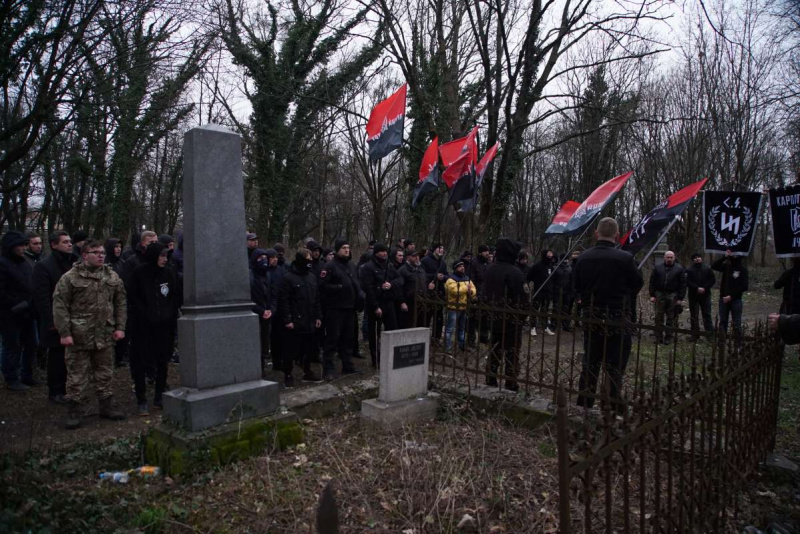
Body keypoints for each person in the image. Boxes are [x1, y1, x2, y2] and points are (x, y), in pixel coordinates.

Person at [53, 240, 127, 429]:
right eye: (96, 252)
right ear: (85, 255)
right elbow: (60, 305)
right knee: (77, 375)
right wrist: (64, 332)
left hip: (105, 334)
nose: (101, 255)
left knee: (105, 372)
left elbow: (120, 303)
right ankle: (74, 410)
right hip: (79, 336)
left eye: (102, 252)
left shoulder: (111, 276)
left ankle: (107, 406)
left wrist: (120, 327)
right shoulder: (70, 278)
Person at [572, 217, 643, 412]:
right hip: (617, 315)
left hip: (591, 315)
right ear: (617, 235)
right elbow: (636, 285)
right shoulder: (625, 258)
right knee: (615, 363)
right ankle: (611, 403)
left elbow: (576, 285)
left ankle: (584, 402)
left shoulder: (583, 258)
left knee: (591, 361)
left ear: (597, 234)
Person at [127, 242, 181, 415]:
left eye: (166, 256)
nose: (165, 259)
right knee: (140, 362)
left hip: (163, 327)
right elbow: (133, 298)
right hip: (143, 326)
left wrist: (168, 316)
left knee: (162, 361)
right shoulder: (139, 273)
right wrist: (147, 315)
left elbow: (173, 297)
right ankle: (142, 398)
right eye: (161, 256)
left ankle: (159, 396)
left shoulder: (168, 273)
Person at [32, 231, 76, 403]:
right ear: (54, 244)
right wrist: (51, 321)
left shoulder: (73, 263)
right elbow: (41, 297)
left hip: (73, 317)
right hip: (55, 320)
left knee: (70, 356)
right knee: (57, 356)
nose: (70, 244)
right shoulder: (44, 266)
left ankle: (68, 387)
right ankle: (55, 390)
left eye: (70, 241)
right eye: (65, 242)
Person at [483, 238, 527, 391]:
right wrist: (521, 317)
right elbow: (523, 299)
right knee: (511, 351)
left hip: (493, 316)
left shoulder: (489, 269)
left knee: (495, 348)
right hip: (510, 320)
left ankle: (491, 377)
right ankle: (510, 381)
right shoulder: (515, 273)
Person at [279, 249, 324, 387]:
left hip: (310, 320)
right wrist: (288, 320)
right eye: (307, 258)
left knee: (308, 349)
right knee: (291, 350)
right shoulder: (288, 278)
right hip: (296, 321)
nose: (310, 260)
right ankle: (288, 374)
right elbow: (284, 301)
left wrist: (318, 316)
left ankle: (307, 371)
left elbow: (316, 299)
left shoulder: (311, 277)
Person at [319, 239, 363, 380]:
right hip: (335, 309)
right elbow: (323, 286)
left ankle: (347, 365)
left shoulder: (351, 265)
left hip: (350, 308)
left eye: (348, 247)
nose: (346, 250)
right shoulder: (330, 266)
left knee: (347, 339)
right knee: (332, 339)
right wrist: (338, 288)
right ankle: (328, 369)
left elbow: (356, 283)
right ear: (337, 250)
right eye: (344, 247)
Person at [0, 231, 38, 391]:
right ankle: (12, 378)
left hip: (28, 312)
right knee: (11, 346)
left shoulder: (24, 262)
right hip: (10, 314)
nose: (23, 248)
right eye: (20, 245)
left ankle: (26, 375)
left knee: (32, 344)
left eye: (24, 245)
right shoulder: (2, 264)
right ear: (11, 246)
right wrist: (17, 303)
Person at [360, 243, 402, 367]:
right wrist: (375, 306)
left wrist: (391, 285)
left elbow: (400, 279)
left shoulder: (389, 266)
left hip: (389, 303)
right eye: (382, 251)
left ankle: (392, 356)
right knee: (375, 334)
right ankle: (376, 360)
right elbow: (368, 288)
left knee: (392, 330)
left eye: (386, 251)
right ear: (376, 252)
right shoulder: (368, 267)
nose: (384, 253)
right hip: (375, 304)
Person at [648, 250, 686, 343]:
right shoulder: (658, 268)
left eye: (671, 257)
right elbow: (652, 282)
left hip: (672, 294)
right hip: (659, 293)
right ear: (664, 258)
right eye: (667, 257)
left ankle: (669, 336)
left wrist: (680, 298)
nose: (669, 259)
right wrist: (652, 295)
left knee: (671, 316)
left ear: (674, 258)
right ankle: (659, 336)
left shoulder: (679, 269)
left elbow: (683, 285)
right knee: (658, 315)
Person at [711, 250, 748, 339]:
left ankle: (737, 344)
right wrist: (724, 257)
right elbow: (714, 266)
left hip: (736, 300)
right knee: (723, 322)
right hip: (723, 300)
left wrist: (731, 296)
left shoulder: (743, 270)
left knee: (736, 323)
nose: (734, 258)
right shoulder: (726, 267)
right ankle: (722, 343)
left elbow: (744, 287)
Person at [250, 248, 275, 375]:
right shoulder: (250, 276)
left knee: (265, 342)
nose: (264, 261)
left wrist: (270, 310)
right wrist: (261, 311)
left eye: (265, 258)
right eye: (260, 258)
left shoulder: (268, 275)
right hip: (255, 314)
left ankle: (262, 367)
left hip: (267, 314)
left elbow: (272, 295)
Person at [444, 259, 476, 352]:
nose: (462, 268)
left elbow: (474, 289)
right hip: (453, 307)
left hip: (463, 306)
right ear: (455, 268)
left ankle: (461, 345)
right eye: (459, 266)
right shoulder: (451, 279)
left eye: (462, 266)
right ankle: (447, 347)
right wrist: (467, 288)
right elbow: (454, 291)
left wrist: (471, 291)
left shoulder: (466, 277)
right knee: (450, 328)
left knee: (462, 329)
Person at [397, 250, 434, 329]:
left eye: (418, 256)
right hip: (409, 303)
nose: (417, 258)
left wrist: (428, 286)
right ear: (408, 257)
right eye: (414, 256)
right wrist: (402, 302)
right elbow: (398, 288)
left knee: (420, 325)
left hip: (421, 303)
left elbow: (425, 281)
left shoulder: (421, 269)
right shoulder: (402, 270)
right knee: (408, 326)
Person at [421, 243, 449, 341]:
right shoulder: (425, 261)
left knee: (439, 317)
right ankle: (423, 337)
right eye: (439, 248)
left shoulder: (443, 262)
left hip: (440, 292)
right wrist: (433, 276)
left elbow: (447, 276)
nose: (442, 250)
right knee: (426, 316)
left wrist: (443, 277)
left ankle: (436, 338)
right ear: (434, 249)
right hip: (428, 293)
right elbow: (421, 275)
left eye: (443, 248)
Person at [528, 249, 558, 336]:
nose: (550, 256)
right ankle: (533, 327)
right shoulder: (537, 265)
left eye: (551, 254)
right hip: (538, 291)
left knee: (545, 310)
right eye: (548, 254)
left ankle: (545, 327)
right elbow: (529, 276)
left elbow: (553, 278)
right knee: (535, 308)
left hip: (547, 292)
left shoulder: (550, 266)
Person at [687, 252, 716, 335]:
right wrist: (697, 288)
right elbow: (687, 281)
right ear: (693, 260)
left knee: (707, 314)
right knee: (694, 315)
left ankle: (709, 333)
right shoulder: (689, 270)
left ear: (701, 258)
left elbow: (712, 280)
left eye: (699, 257)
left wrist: (704, 288)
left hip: (705, 295)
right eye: (695, 257)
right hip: (693, 295)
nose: (697, 258)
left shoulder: (707, 268)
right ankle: (695, 334)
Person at [468, 244, 491, 345]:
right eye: (485, 251)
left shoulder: (488, 263)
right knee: (472, 318)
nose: (487, 253)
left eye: (488, 251)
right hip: (476, 294)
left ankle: (483, 337)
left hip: (486, 294)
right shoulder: (474, 263)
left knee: (484, 318)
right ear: (480, 252)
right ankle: (471, 339)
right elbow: (471, 279)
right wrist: (474, 294)